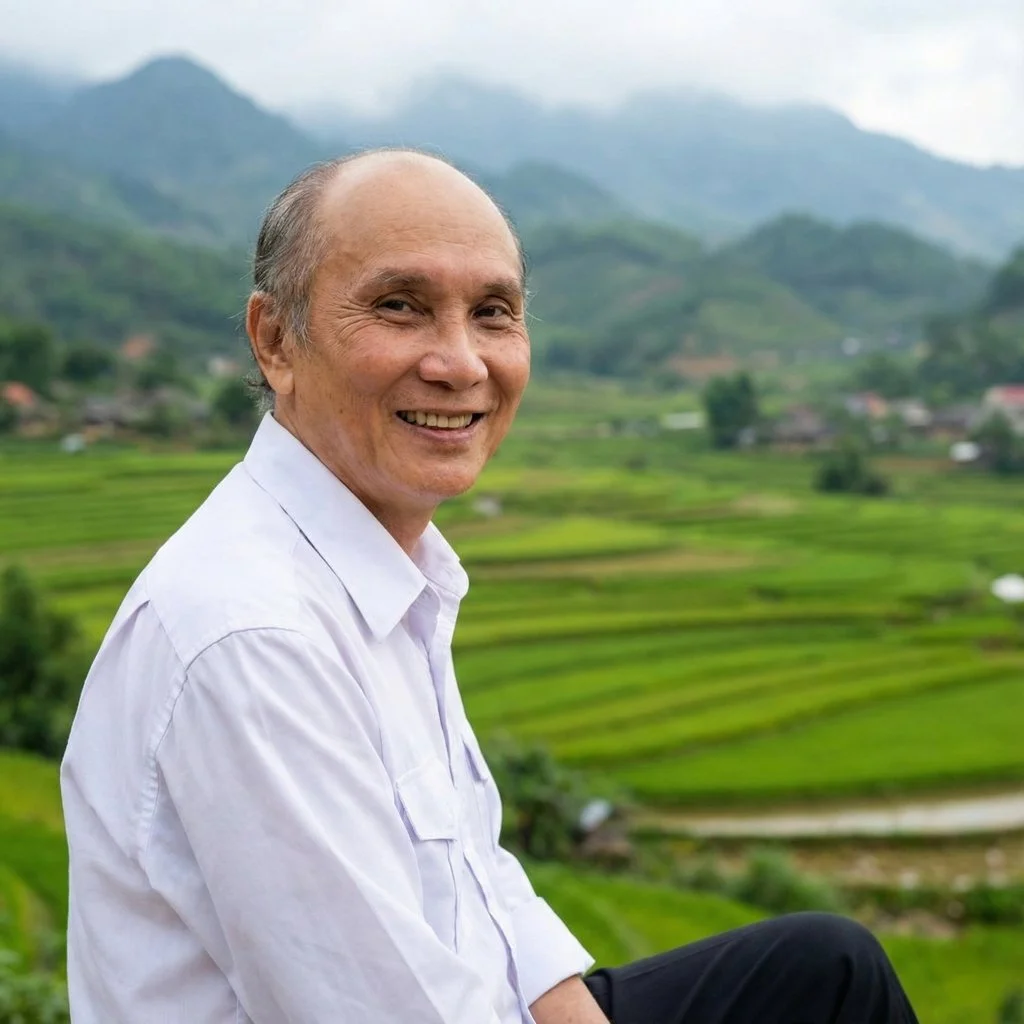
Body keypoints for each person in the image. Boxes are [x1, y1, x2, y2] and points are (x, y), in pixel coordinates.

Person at [60, 149, 918, 1023]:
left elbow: (480, 886)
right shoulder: (255, 639)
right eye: (401, 306)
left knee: (825, 971)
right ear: (277, 340)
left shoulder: (386, 572)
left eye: (493, 314)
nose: (461, 363)